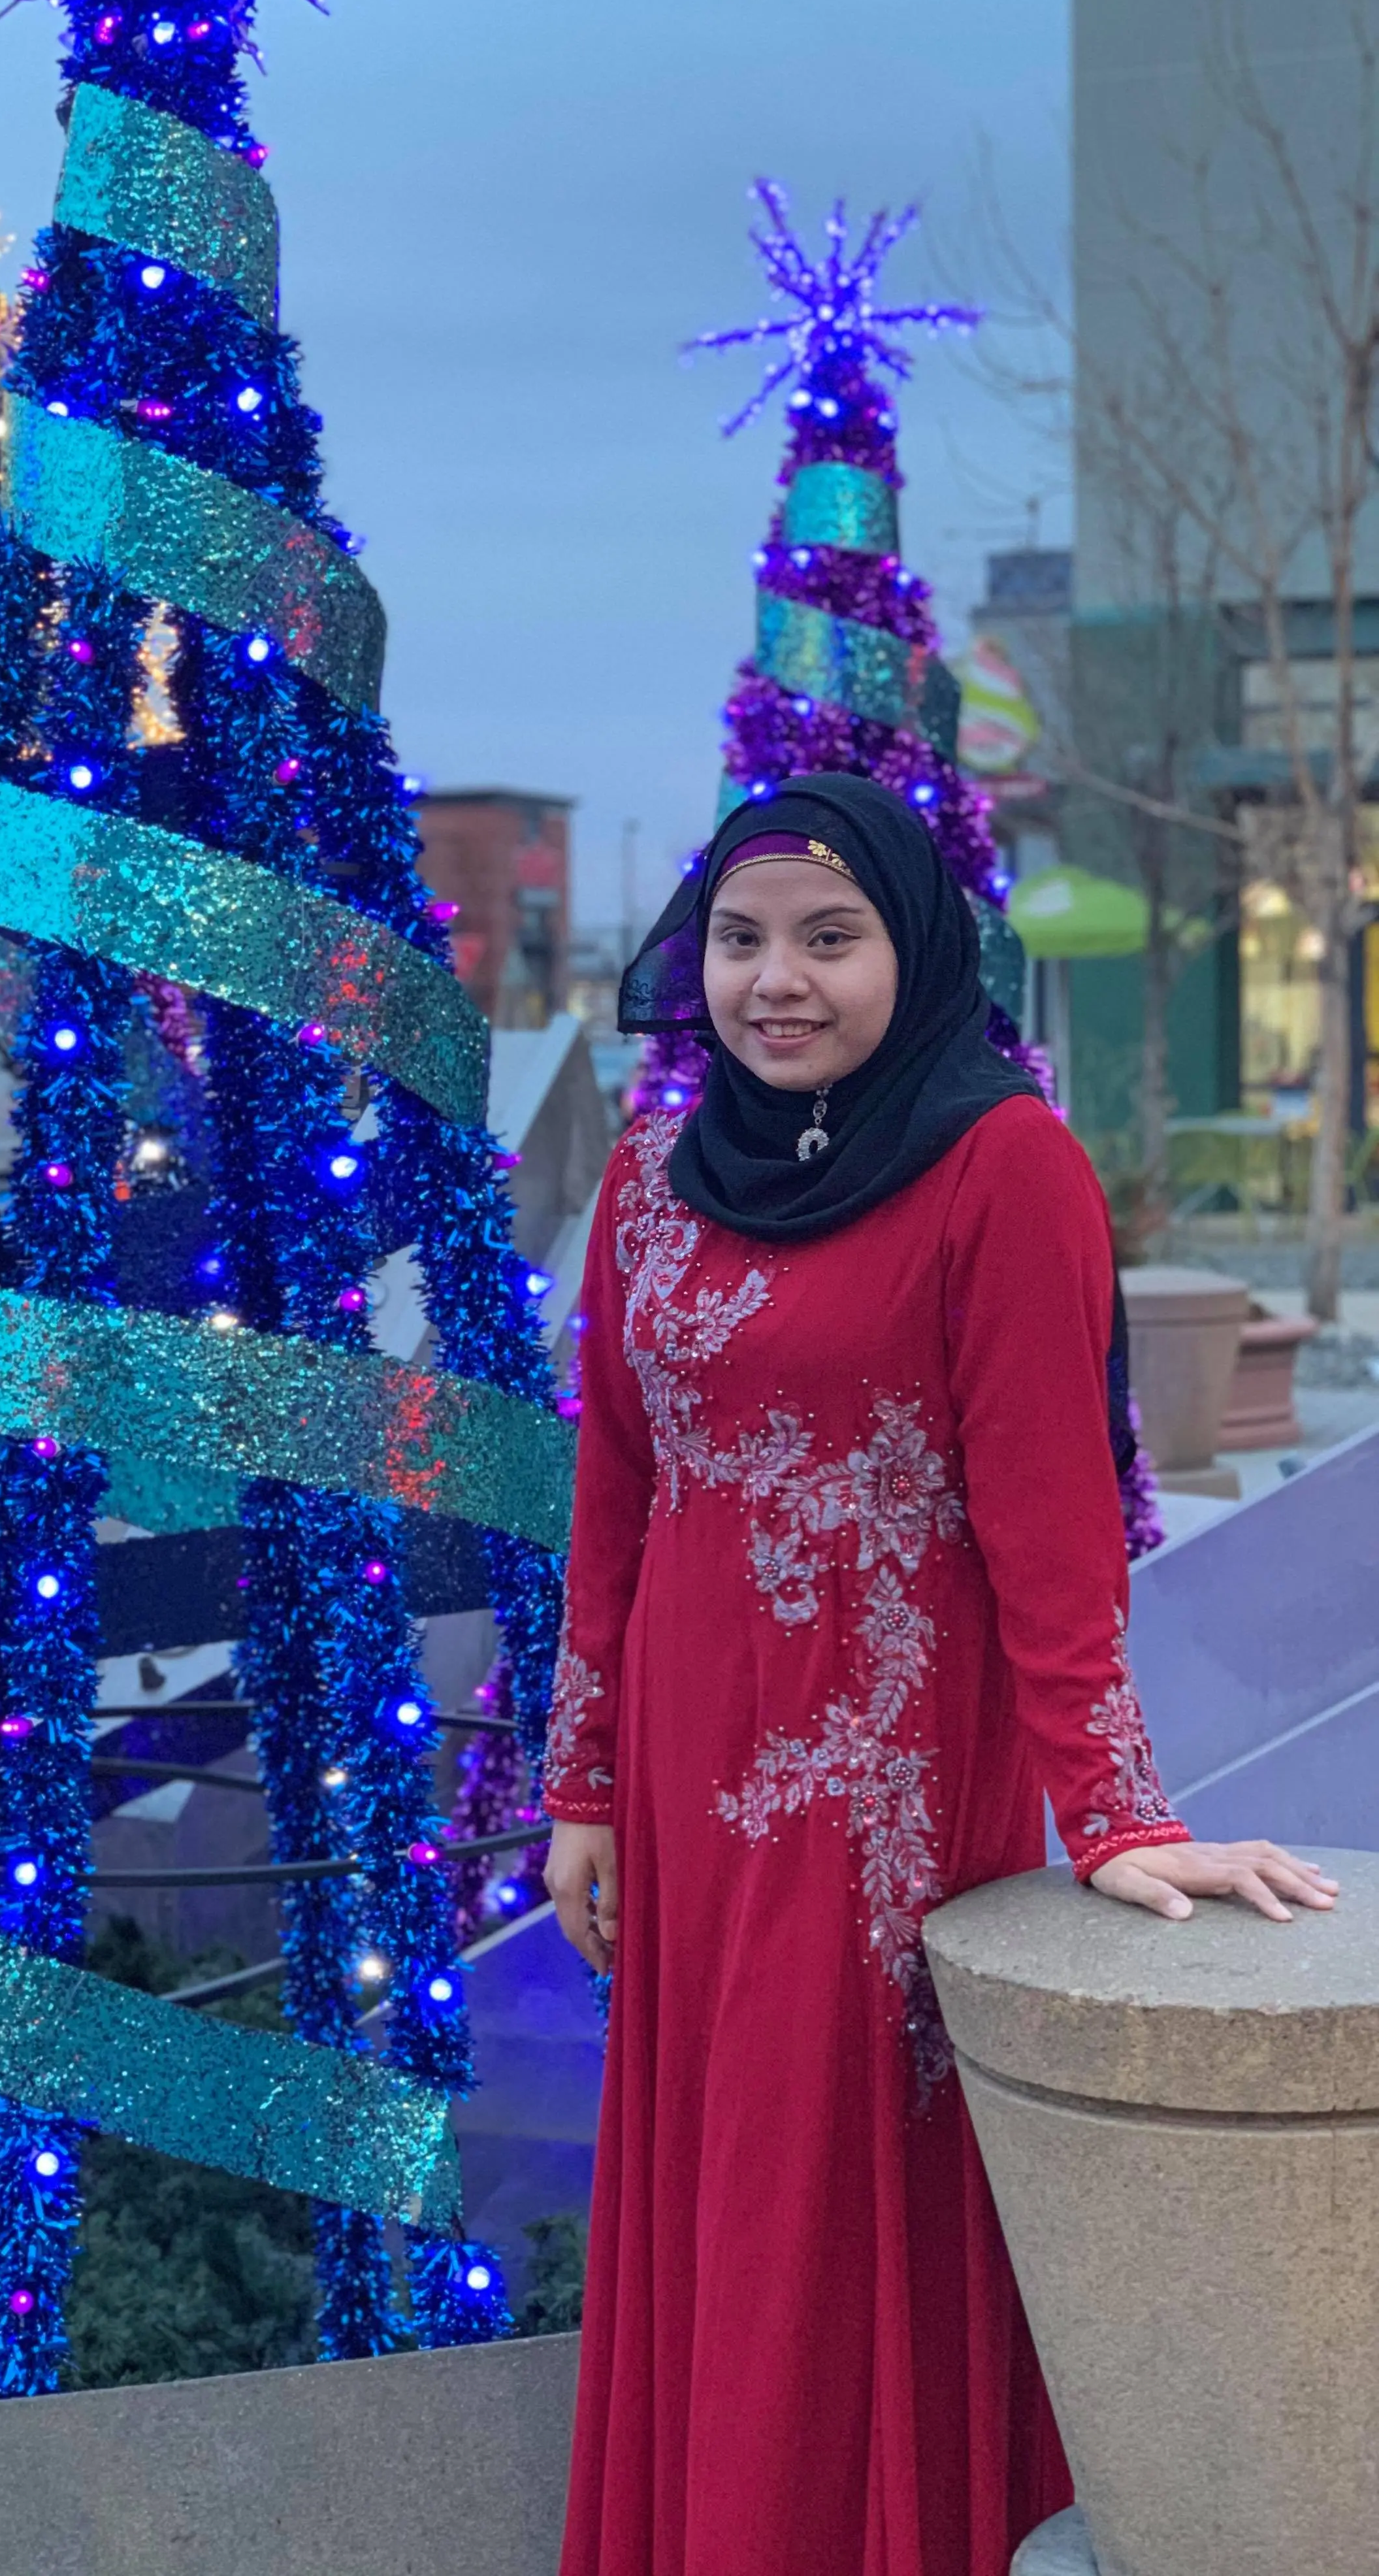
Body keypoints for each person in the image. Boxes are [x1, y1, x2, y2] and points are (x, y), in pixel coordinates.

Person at [545, 775, 1336, 2576]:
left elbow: (1058, 1535)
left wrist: (1118, 1812)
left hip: (884, 1795)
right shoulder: (649, 1191)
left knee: (831, 2210)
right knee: (721, 2201)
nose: (778, 982)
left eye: (833, 939)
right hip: (685, 1779)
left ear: (917, 946)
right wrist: (581, 1789)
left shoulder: (1006, 1168)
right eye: (742, 940)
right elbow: (615, 1498)